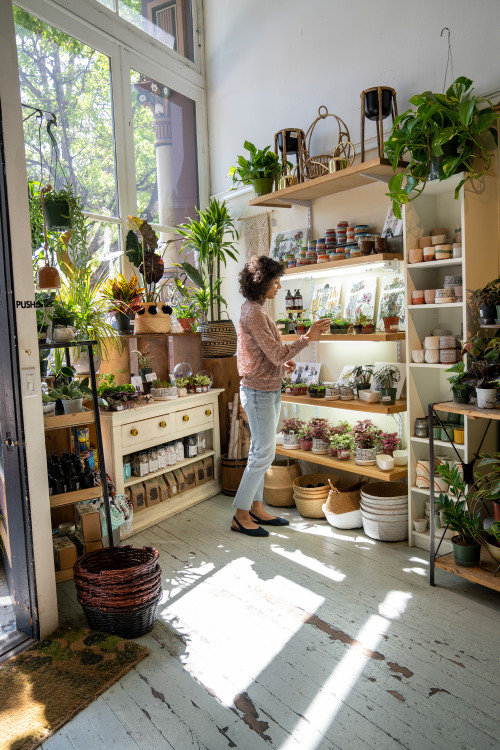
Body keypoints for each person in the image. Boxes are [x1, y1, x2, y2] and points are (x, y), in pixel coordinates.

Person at [231, 255, 330, 537]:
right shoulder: (253, 312)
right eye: (276, 281)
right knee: (264, 453)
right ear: (264, 283)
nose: (279, 286)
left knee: (260, 451)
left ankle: (256, 508)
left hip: (267, 388)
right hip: (259, 391)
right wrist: (307, 337)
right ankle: (240, 514)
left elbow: (266, 353)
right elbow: (275, 353)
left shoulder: (255, 309)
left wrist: (280, 364)